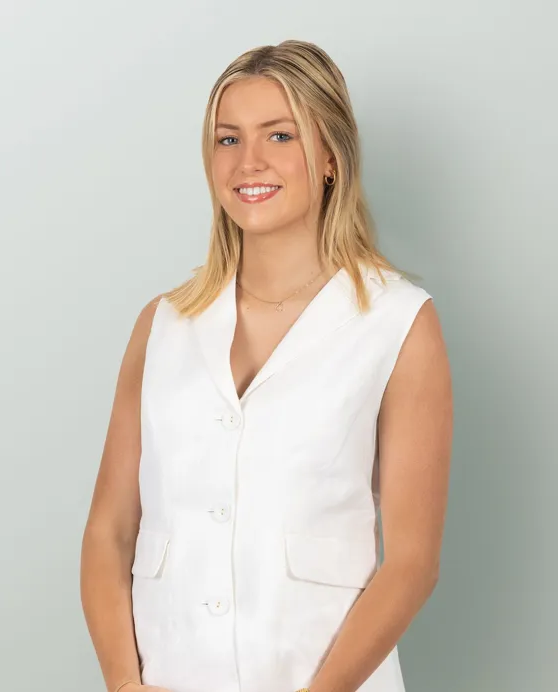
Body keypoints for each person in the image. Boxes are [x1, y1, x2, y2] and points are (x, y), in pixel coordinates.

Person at [80, 39, 453, 692]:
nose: (248, 161)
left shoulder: (398, 324)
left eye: (280, 135)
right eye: (228, 139)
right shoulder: (163, 326)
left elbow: (412, 563)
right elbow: (109, 531)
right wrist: (124, 685)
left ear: (331, 157)